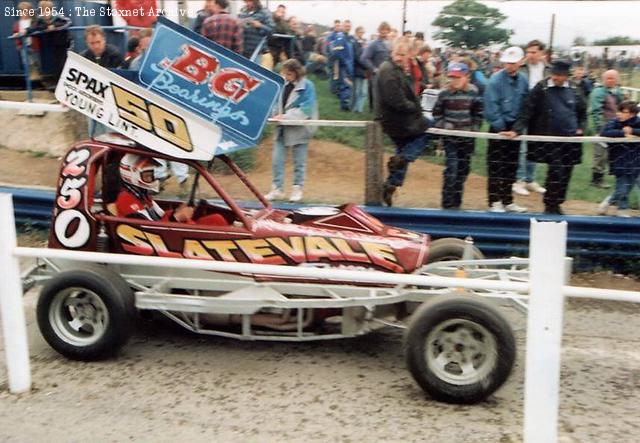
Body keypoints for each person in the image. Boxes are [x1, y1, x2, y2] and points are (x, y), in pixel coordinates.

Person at [507, 59, 587, 215]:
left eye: (560, 75)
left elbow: (582, 112)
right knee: (556, 171)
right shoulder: (541, 88)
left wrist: (581, 128)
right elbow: (527, 110)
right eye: (554, 74)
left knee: (566, 173)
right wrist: (517, 129)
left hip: (570, 140)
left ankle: (558, 201)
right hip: (550, 138)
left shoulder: (575, 89)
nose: (556, 78)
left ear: (566, 76)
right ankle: (550, 204)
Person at [376, 40, 432, 206]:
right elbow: (396, 100)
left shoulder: (393, 69)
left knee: (403, 148)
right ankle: (402, 161)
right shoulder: (388, 71)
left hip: (397, 117)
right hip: (396, 118)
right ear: (393, 52)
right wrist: (414, 107)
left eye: (403, 55)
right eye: (398, 54)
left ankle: (391, 185)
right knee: (428, 128)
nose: (401, 58)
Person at [116, 154, 227, 225]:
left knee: (216, 219)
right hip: (153, 240)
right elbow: (147, 228)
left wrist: (177, 211)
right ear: (131, 175)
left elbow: (161, 216)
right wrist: (177, 217)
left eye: (151, 175)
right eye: (147, 175)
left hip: (165, 237)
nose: (151, 179)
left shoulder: (142, 195)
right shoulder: (126, 199)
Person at [484, 46, 530, 213]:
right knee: (496, 165)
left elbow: (526, 104)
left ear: (520, 62)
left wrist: (517, 128)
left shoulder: (523, 80)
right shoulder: (495, 81)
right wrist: (501, 127)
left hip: (515, 129)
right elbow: (491, 107)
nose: (509, 66)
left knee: (512, 165)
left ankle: (507, 200)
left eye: (513, 63)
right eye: (507, 63)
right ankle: (494, 200)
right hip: (499, 129)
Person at [265, 59, 318, 202]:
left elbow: (307, 109)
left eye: (289, 74)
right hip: (281, 128)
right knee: (277, 160)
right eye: (284, 73)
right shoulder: (282, 83)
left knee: (299, 161)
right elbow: (275, 102)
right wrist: (274, 114)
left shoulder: (308, 86)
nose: (285, 76)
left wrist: (285, 116)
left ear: (297, 73)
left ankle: (297, 188)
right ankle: (277, 189)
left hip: (300, 128)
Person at [432, 62, 483, 210]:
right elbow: (437, 113)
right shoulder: (444, 94)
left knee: (463, 170)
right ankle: (447, 205)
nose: (454, 81)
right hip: (450, 139)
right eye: (452, 77)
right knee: (451, 170)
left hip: (467, 139)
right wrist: (443, 126)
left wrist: (474, 128)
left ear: (466, 77)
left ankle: (457, 202)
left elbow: (478, 112)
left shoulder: (473, 92)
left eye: (458, 77)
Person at [513, 40, 549, 197]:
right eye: (528, 52)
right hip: (523, 110)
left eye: (534, 52)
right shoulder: (521, 69)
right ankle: (519, 180)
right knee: (522, 147)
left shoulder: (548, 70)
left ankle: (530, 179)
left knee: (535, 147)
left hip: (540, 113)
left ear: (542, 53)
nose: (530, 55)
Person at [597, 101, 640, 217]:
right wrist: (623, 133)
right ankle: (622, 209)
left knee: (629, 185)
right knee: (622, 186)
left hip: (636, 160)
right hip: (619, 160)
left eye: (623, 112)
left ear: (632, 114)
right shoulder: (614, 122)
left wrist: (633, 131)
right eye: (619, 111)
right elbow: (604, 132)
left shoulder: (637, 122)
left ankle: (608, 201)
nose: (619, 114)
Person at [589, 69, 623, 188]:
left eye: (613, 78)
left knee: (615, 153)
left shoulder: (618, 92)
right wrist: (600, 128)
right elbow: (596, 111)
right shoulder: (598, 92)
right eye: (608, 78)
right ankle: (596, 180)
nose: (610, 80)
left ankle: (620, 178)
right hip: (603, 128)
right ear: (603, 79)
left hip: (616, 128)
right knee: (600, 154)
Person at [28, 0, 71, 84]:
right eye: (43, 11)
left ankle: (65, 81)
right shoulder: (40, 19)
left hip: (63, 44)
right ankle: (59, 82)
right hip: (52, 45)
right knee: (56, 64)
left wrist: (55, 26)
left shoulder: (58, 17)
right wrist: (25, 32)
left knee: (63, 63)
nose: (45, 13)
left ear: (51, 10)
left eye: (47, 10)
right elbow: (34, 27)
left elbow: (68, 22)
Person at [360, 21, 391, 112]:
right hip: (376, 76)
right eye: (382, 30)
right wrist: (374, 69)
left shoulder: (389, 44)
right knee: (377, 97)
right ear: (379, 30)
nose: (384, 32)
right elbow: (364, 58)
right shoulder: (373, 44)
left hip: (388, 75)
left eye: (386, 30)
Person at [351, 26, 369, 113]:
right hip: (358, 69)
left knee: (364, 92)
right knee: (357, 91)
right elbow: (357, 57)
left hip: (364, 70)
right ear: (357, 32)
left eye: (363, 32)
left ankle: (359, 109)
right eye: (360, 32)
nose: (362, 34)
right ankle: (355, 109)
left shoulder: (363, 43)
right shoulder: (355, 43)